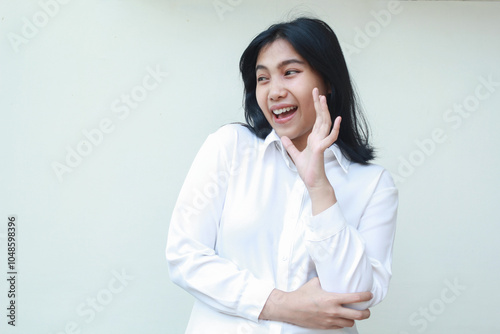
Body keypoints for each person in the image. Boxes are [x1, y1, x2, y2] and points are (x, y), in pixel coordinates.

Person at [166, 17, 398, 333]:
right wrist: (281, 305)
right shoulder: (230, 148)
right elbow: (185, 255)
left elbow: (355, 299)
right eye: (263, 78)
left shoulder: (373, 184)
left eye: (290, 73)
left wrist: (319, 188)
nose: (275, 91)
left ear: (327, 82)